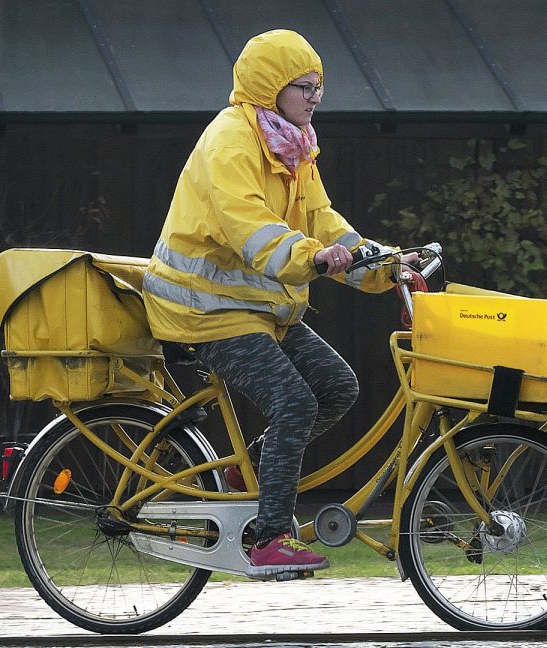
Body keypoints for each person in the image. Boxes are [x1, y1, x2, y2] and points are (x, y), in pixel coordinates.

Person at [143, 29, 415, 579]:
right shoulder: (230, 142)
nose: (315, 97)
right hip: (206, 310)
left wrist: (383, 265)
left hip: (257, 307)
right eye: (303, 86)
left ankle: (256, 473)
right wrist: (312, 259)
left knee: (337, 387)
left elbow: (321, 219)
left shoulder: (293, 143)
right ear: (270, 86)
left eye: (319, 86)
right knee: (296, 401)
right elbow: (248, 225)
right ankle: (270, 539)